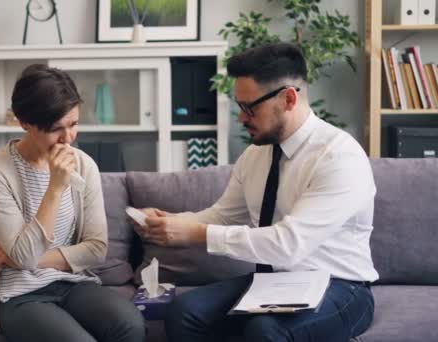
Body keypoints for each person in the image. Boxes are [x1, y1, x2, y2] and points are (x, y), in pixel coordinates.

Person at [133, 43, 378, 342]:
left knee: (264, 331)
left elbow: (288, 244)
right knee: (185, 310)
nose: (241, 118)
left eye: (250, 107)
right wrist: (170, 222)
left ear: (288, 98)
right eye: (240, 107)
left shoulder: (339, 157)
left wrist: (195, 234)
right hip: (276, 282)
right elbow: (223, 215)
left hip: (341, 285)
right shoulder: (255, 156)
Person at [0, 64, 145, 342]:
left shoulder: (83, 164)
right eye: (56, 129)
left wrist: (27, 260)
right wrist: (55, 187)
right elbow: (24, 258)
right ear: (25, 122)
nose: (68, 139)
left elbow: (96, 248)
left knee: (130, 325)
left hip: (72, 283)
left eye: (74, 124)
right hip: (21, 293)